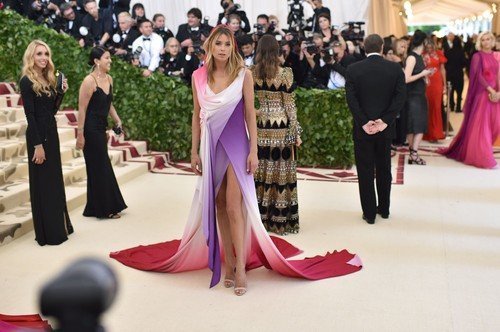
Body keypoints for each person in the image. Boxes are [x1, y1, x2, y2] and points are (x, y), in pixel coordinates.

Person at [110, 25, 361, 296]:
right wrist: (193, 152)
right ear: (210, 47)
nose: (222, 49)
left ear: (233, 48)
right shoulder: (198, 77)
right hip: (210, 144)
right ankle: (228, 262)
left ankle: (240, 266)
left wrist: (254, 150)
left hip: (237, 144)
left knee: (233, 205)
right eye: (218, 44)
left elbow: (250, 115)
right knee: (218, 203)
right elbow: (196, 116)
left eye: (227, 44)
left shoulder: (244, 75)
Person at [345, 34, 406, 224]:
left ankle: (369, 214)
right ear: (381, 47)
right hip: (385, 129)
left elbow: (351, 100)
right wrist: (385, 121)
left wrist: (364, 122)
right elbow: (400, 98)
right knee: (384, 169)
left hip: (363, 129)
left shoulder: (353, 69)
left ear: (364, 47)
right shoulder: (395, 68)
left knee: (365, 170)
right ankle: (385, 209)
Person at [19, 40, 74, 245]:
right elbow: (30, 116)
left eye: (46, 54)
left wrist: (60, 92)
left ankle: (58, 226)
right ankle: (48, 233)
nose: (43, 58)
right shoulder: (27, 81)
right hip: (37, 136)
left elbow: (51, 111)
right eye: (39, 54)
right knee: (44, 184)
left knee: (54, 181)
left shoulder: (47, 78)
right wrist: (37, 145)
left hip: (51, 132)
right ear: (31, 57)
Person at [251, 35, 302, 235]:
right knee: (281, 172)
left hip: (261, 126)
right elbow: (290, 107)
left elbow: (243, 101)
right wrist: (296, 132)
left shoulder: (251, 73)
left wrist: (257, 112)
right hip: (281, 128)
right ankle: (280, 221)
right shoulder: (285, 74)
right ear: (277, 51)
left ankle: (260, 217)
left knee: (262, 171)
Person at [76, 47, 127, 218]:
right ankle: (107, 208)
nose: (110, 61)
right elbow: (81, 109)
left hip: (101, 127)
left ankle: (93, 207)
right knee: (101, 166)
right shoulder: (89, 81)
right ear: (97, 61)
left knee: (97, 167)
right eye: (107, 58)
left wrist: (117, 120)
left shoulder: (109, 79)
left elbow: (108, 103)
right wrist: (80, 134)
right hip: (90, 130)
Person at [439, 31, 500, 169]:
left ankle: (485, 150)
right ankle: (482, 156)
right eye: (483, 40)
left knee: (495, 125)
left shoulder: (496, 56)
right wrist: (490, 90)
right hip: (482, 94)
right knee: (482, 126)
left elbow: (498, 75)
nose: (486, 42)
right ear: (480, 42)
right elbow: (478, 76)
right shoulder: (477, 56)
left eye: (488, 39)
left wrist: (498, 92)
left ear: (492, 41)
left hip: (495, 95)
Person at [404, 30, 434, 165]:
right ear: (424, 42)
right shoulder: (412, 57)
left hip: (418, 94)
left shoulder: (418, 57)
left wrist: (425, 76)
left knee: (414, 126)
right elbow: (406, 78)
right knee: (417, 126)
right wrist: (422, 74)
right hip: (413, 96)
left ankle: (412, 153)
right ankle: (414, 154)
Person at [423, 38, 447, 142]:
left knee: (436, 107)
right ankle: (428, 133)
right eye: (427, 46)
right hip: (426, 83)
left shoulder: (439, 53)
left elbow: (442, 69)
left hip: (437, 83)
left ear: (433, 45)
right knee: (428, 108)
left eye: (430, 46)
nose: (429, 48)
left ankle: (436, 133)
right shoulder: (422, 55)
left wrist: (444, 84)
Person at [444, 36, 466, 113]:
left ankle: (452, 106)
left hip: (450, 74)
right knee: (459, 92)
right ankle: (458, 107)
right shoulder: (461, 52)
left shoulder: (448, 52)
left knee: (451, 91)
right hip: (458, 74)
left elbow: (445, 64)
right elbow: (464, 63)